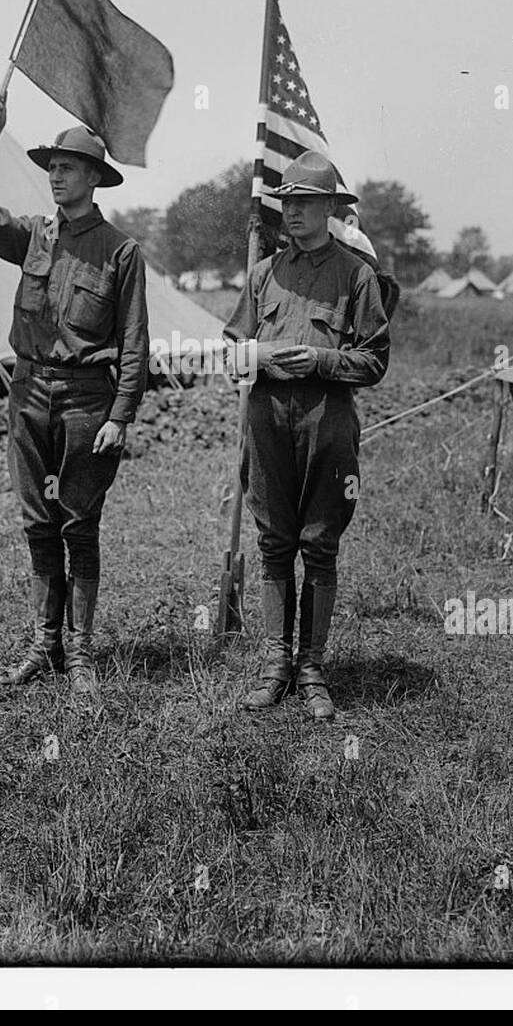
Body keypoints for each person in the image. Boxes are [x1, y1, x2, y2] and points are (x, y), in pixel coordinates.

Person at [0, 95, 148, 699]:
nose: (55, 176)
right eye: (52, 167)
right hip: (28, 393)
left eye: (66, 167)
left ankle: (81, 651)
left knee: (78, 525)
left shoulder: (120, 251)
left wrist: (120, 416)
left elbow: (136, 342)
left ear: (93, 177)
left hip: (88, 401)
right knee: (38, 522)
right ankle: (45, 646)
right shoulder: (34, 235)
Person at [222, 151, 390, 721]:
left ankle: (312, 668)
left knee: (319, 544)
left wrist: (321, 360)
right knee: (274, 541)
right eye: (287, 202)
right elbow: (232, 347)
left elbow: (374, 360)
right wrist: (251, 355)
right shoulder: (264, 273)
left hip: (327, 421)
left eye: (306, 202)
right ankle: (276, 666)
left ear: (330, 208)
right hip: (266, 419)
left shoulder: (356, 275)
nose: (293, 212)